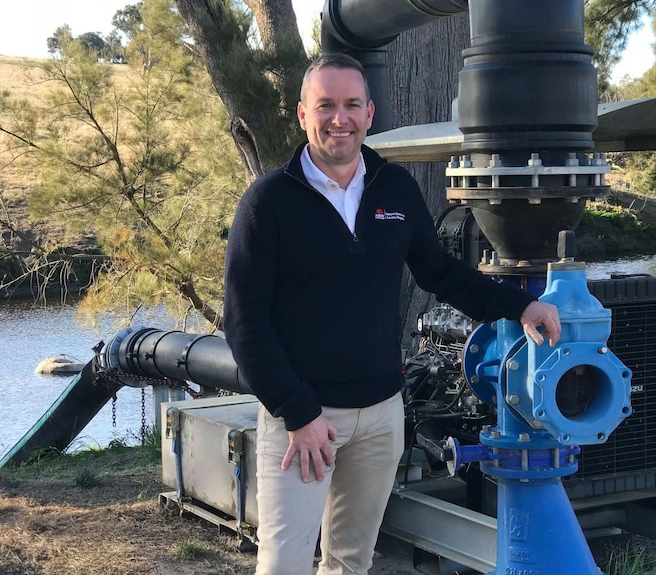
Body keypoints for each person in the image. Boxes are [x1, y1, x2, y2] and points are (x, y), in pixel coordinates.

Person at [223, 53, 561, 575]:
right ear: (302, 115)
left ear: (370, 112)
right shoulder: (268, 202)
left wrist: (521, 306)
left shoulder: (394, 188)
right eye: (326, 105)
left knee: (351, 562)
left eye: (352, 105)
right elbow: (244, 324)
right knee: (283, 565)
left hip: (382, 418)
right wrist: (299, 413)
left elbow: (441, 274)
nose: (340, 118)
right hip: (304, 422)